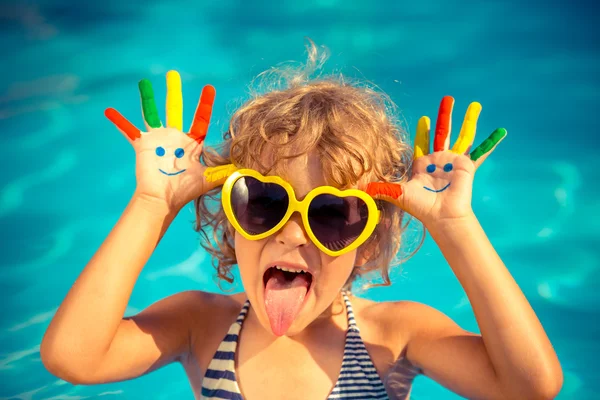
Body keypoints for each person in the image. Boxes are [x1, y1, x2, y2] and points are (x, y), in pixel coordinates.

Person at [40, 40, 563, 399]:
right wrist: (153, 204)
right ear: (232, 216)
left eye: (331, 214)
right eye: (264, 202)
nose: (292, 232)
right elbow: (75, 360)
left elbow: (530, 386)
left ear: (366, 237)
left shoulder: (394, 336)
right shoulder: (201, 325)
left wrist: (455, 224)